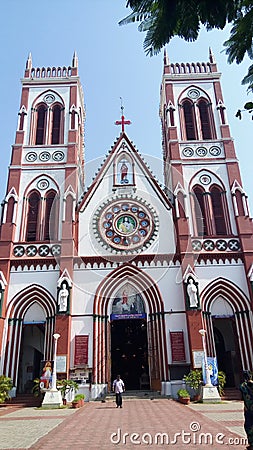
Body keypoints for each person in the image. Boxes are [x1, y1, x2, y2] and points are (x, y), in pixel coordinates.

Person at [240, 371, 253, 450]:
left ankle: (251, 443)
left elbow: (241, 397)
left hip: (248, 410)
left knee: (248, 426)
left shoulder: (242, 386)